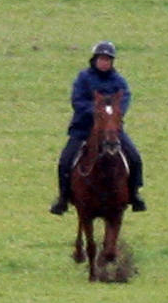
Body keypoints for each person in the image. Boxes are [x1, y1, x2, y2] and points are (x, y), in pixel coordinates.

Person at [50, 41, 145, 215]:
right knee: (65, 161)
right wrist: (97, 111)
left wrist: (111, 116)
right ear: (94, 59)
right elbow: (77, 101)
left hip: (111, 131)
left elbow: (124, 101)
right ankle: (63, 198)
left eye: (108, 59)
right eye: (101, 58)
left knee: (135, 158)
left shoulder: (119, 81)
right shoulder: (83, 78)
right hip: (84, 129)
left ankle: (134, 195)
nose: (104, 62)